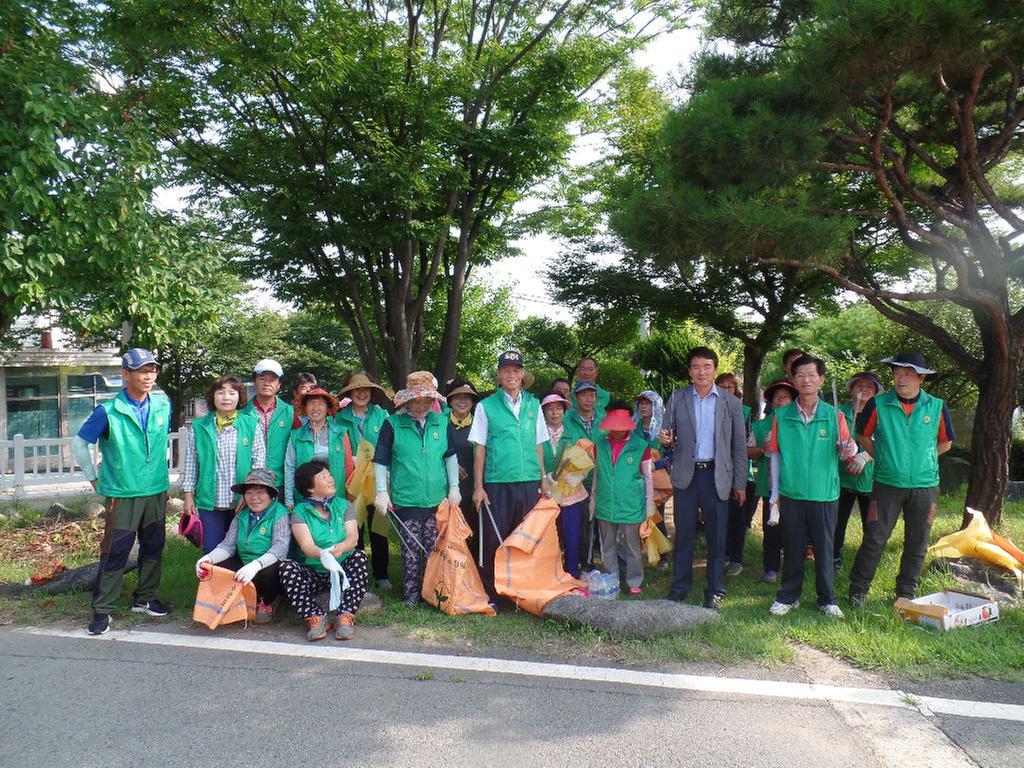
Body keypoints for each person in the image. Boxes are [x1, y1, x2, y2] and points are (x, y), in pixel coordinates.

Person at [73, 348, 173, 635]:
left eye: (152, 370)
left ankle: (145, 598)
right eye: (141, 371)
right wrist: (94, 479)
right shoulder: (108, 411)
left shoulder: (162, 405)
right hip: (122, 494)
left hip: (155, 490)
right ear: (125, 375)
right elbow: (79, 444)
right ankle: (103, 610)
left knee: (154, 547)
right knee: (116, 551)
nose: (148, 376)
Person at [848, 353, 954, 604]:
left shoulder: (936, 406)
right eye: (896, 373)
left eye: (907, 374)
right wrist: (884, 458)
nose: (900, 378)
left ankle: (906, 593)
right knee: (875, 538)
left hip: (925, 486)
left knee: (917, 541)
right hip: (887, 483)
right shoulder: (879, 404)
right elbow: (863, 437)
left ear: (921, 378)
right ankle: (858, 591)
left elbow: (945, 443)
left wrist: (924, 461)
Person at [764, 355, 857, 618]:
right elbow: (775, 455)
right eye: (800, 375)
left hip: (824, 493)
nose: (806, 380)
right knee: (792, 546)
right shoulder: (781, 416)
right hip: (791, 493)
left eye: (811, 375)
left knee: (824, 548)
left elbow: (847, 450)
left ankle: (827, 599)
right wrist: (774, 495)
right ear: (794, 380)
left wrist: (849, 449)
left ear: (821, 380)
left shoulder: (833, 415)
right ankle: (788, 596)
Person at [661, 346, 747, 610]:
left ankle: (715, 589)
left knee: (717, 536)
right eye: (696, 367)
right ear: (689, 371)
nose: (702, 372)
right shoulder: (677, 398)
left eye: (707, 366)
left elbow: (739, 447)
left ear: (715, 370)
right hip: (687, 477)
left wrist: (740, 483)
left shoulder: (731, 403)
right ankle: (680, 587)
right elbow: (666, 438)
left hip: (717, 476)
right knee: (684, 534)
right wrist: (664, 440)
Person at [470, 350, 551, 606]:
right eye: (506, 370)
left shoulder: (534, 405)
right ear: (499, 375)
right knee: (495, 538)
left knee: (525, 538)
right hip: (497, 482)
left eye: (516, 370)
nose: (511, 375)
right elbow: (479, 448)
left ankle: (521, 592)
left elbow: (539, 444)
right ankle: (493, 593)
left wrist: (543, 477)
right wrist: (478, 487)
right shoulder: (485, 406)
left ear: (523, 374)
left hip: (528, 481)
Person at [373, 373, 460, 605]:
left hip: (436, 498)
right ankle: (412, 595)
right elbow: (381, 459)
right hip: (406, 499)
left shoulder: (441, 422)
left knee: (434, 549)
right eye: (417, 400)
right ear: (407, 401)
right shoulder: (392, 424)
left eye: (426, 400)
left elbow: (450, 456)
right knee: (411, 550)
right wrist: (382, 491)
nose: (421, 405)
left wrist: (454, 487)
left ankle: (432, 593)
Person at [279, 460, 369, 640]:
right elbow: (306, 545)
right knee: (286, 567)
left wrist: (341, 548)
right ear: (310, 488)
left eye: (329, 475)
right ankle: (316, 617)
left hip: (343, 568)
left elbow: (353, 538)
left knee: (359, 556)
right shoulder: (300, 511)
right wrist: (323, 554)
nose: (330, 479)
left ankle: (345, 615)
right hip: (315, 571)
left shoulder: (344, 505)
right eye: (323, 476)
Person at [182, 377, 267, 555]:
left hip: (243, 501)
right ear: (212, 397)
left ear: (240, 397)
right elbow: (191, 464)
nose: (226, 397)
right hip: (210, 501)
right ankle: (213, 583)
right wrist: (188, 496)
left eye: (232, 392)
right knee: (213, 550)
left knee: (241, 549)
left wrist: (250, 494)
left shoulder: (251, 424)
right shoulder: (200, 427)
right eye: (220, 392)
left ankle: (239, 583)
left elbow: (259, 465)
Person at [194, 468, 291, 622]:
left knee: (273, 570)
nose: (254, 498)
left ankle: (268, 601)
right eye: (249, 493)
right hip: (245, 569)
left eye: (260, 492)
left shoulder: (280, 514)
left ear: (271, 496)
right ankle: (235, 599)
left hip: (266, 569)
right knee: (217, 565)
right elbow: (228, 546)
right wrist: (208, 559)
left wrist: (256, 565)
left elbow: (280, 548)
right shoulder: (241, 517)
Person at [335, 371, 392, 587]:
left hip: (377, 481)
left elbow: (389, 446)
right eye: (357, 389)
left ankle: (381, 574)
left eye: (366, 389)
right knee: (353, 527)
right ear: (349, 392)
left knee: (379, 527)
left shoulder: (382, 415)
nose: (362, 393)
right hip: (351, 482)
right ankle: (355, 573)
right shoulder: (339, 418)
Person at [592, 401, 655, 596]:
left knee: (632, 546)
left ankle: (634, 580)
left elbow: (648, 477)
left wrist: (649, 505)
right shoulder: (599, 444)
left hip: (631, 504)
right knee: (608, 545)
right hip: (605, 503)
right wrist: (593, 500)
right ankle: (612, 578)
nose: (616, 430)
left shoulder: (640, 445)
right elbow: (596, 474)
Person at [747, 380, 797, 583]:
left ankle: (793, 569)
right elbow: (748, 452)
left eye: (786, 397)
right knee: (771, 529)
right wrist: (762, 449)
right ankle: (771, 568)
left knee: (794, 529)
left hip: (796, 486)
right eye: (777, 397)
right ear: (771, 402)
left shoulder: (799, 422)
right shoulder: (760, 426)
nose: (781, 400)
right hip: (769, 487)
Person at [834, 371, 883, 573]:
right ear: (851, 390)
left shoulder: (881, 414)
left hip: (870, 479)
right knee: (837, 522)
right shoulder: (839, 413)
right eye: (859, 386)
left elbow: (887, 444)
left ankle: (868, 564)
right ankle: (833, 558)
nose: (863, 390)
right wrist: (840, 450)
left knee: (872, 525)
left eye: (869, 387)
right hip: (841, 477)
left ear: (875, 393)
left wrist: (866, 457)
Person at [540, 390, 587, 578]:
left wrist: (573, 477)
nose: (555, 413)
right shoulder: (537, 433)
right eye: (550, 409)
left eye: (558, 408)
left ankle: (572, 573)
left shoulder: (573, 433)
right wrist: (544, 477)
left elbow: (584, 462)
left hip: (570, 493)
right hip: (545, 491)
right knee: (547, 535)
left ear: (564, 411)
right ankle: (549, 574)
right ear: (544, 412)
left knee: (571, 533)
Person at [717, 372, 758, 576]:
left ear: (736, 390)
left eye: (730, 387)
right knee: (718, 516)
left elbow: (746, 444)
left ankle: (736, 557)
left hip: (738, 471)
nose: (726, 391)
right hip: (715, 471)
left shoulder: (745, 411)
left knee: (737, 517)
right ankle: (720, 553)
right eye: (722, 387)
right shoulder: (711, 407)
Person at [284, 388, 351, 508]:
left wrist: (350, 497)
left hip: (336, 495)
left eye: (320, 404)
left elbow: (348, 466)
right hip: (305, 496)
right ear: (305, 407)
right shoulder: (296, 436)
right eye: (311, 403)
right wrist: (289, 500)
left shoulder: (340, 433)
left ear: (328, 408)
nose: (316, 408)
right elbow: (290, 468)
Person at [238, 359, 294, 499]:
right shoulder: (241, 413)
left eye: (272, 379)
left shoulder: (290, 413)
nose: (267, 383)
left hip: (280, 483)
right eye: (262, 378)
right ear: (255, 382)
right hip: (249, 483)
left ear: (279, 385)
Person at [566, 380, 602, 567]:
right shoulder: (567, 419)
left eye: (592, 395)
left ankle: (593, 560)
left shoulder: (603, 419)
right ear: (576, 397)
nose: (589, 399)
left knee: (599, 523)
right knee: (580, 524)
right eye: (584, 395)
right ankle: (581, 561)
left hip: (601, 480)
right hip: (577, 482)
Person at [445, 377, 480, 542]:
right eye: (458, 397)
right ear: (450, 400)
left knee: (472, 536)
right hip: (446, 492)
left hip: (474, 491)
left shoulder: (481, 424)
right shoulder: (440, 423)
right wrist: (451, 466)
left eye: (467, 397)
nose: (462, 401)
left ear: (473, 402)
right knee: (448, 538)